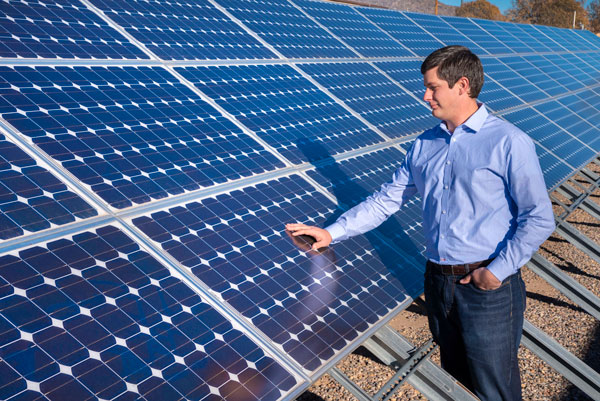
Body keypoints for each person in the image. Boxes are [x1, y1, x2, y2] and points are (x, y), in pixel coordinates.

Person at [286, 45, 555, 401]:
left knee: (497, 388)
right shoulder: (425, 144)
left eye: (433, 87)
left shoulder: (508, 142)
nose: (425, 95)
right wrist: (332, 231)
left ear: (462, 85)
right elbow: (388, 198)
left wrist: (495, 273)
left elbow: (539, 217)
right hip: (439, 280)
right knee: (459, 378)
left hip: (486, 285)